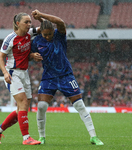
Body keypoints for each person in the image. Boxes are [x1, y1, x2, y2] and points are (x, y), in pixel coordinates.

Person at [31, 10, 104, 145]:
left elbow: (60, 22)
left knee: (80, 105)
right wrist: (32, 56)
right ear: (41, 32)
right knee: (41, 106)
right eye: (45, 35)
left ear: (53, 31)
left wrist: (41, 15)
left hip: (66, 75)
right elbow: (28, 53)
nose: (47, 37)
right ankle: (42, 137)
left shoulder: (59, 36)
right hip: (49, 77)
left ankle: (93, 136)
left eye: (49, 34)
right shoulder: (36, 41)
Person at [0, 12, 43, 145]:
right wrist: (4, 72)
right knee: (23, 103)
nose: (29, 24)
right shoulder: (10, 39)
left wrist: (40, 18)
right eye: (26, 22)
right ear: (17, 23)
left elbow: (45, 27)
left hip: (24, 73)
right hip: (12, 73)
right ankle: (26, 138)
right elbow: (0, 57)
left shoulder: (29, 34)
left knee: (23, 108)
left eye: (30, 22)